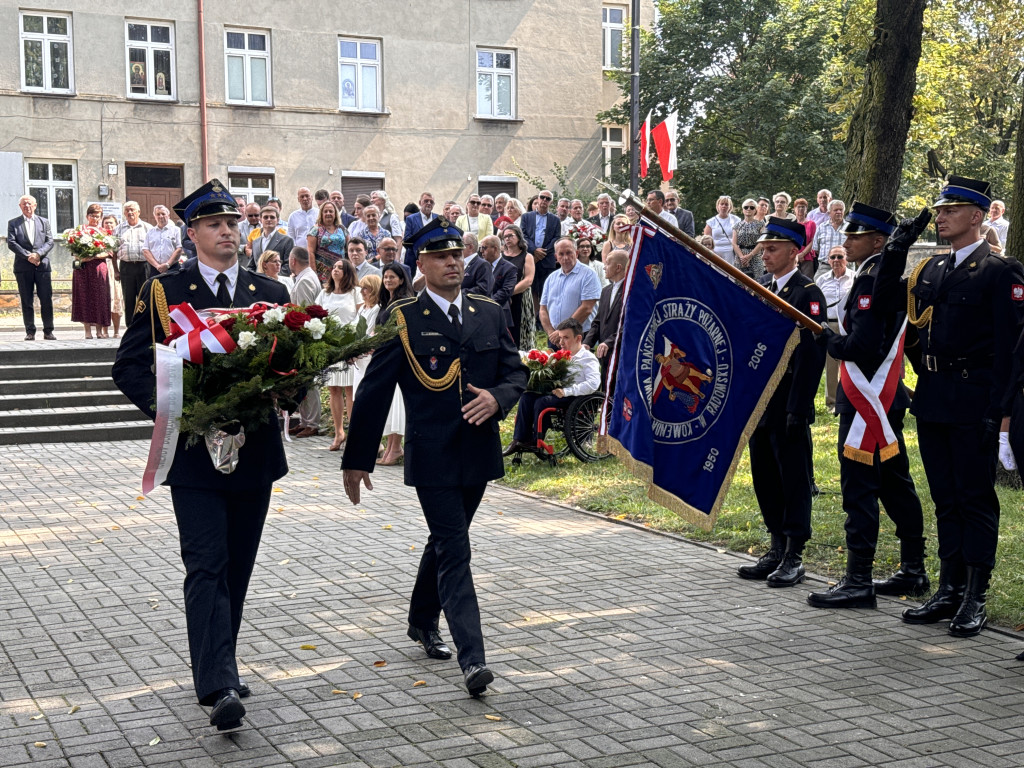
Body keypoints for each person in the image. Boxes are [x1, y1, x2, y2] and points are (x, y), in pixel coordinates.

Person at [112, 179, 290, 732]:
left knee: (237, 567)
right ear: (192, 233)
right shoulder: (167, 292)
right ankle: (216, 684)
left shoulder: (271, 294)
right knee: (206, 565)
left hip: (254, 450)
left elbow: (289, 368)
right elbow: (129, 366)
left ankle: (223, 662)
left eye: (234, 223)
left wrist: (288, 387)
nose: (229, 232)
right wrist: (173, 410)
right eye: (215, 224)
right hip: (192, 455)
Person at [342, 217, 527, 698]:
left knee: (449, 540)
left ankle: (421, 620)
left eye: (457, 255)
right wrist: (357, 458)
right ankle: (474, 660)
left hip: (478, 452)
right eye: (441, 257)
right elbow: (375, 392)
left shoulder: (488, 311)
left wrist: (497, 399)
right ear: (420, 264)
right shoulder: (401, 317)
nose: (452, 263)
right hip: (432, 455)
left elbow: (515, 373)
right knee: (455, 548)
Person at [873, 176, 1024, 638]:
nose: (939, 217)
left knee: (975, 499)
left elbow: (1011, 350)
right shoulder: (932, 271)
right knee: (944, 498)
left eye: (950, 210)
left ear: (977, 216)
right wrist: (897, 247)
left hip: (975, 398)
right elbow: (885, 307)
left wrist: (999, 413)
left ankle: (975, 593)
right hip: (936, 398)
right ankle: (949, 587)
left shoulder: (1001, 272)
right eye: (939, 211)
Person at [808, 203, 928, 610]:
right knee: (895, 483)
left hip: (867, 401)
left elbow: (861, 346)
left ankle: (858, 580)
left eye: (855, 236)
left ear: (878, 240)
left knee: (859, 488)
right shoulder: (879, 276)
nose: (847, 241)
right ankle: (914, 568)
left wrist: (826, 339)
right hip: (886, 399)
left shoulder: (872, 280)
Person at [739, 217, 826, 587]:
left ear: (794, 251)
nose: (765, 253)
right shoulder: (764, 290)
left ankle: (794, 553)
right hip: (763, 402)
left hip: (789, 401)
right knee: (766, 476)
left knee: (793, 478)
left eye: (773, 248)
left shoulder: (807, 294)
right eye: (763, 247)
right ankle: (775, 545)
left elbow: (812, 355)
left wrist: (798, 405)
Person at [503, 318, 601, 454]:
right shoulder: (560, 356)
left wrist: (567, 391)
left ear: (578, 338)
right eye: (560, 338)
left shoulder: (588, 359)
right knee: (527, 397)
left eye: (565, 338)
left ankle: (536, 439)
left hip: (576, 397)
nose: (561, 342)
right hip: (558, 392)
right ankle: (519, 440)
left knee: (542, 402)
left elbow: (593, 384)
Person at [317, 259, 362, 451]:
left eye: (340, 268)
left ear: (348, 272)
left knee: (350, 390)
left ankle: (353, 433)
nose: (335, 270)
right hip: (330, 345)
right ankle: (338, 432)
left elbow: (361, 317)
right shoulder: (324, 293)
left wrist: (349, 335)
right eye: (334, 267)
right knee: (334, 389)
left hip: (348, 345)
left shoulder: (355, 292)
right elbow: (316, 314)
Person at [375, 263, 415, 465]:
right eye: (385, 277)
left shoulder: (404, 302)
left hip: (399, 358)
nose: (388, 280)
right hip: (384, 354)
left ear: (401, 280)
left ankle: (396, 447)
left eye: (392, 277)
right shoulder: (386, 301)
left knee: (397, 403)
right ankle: (391, 446)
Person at [538, 238, 602, 349]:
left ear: (576, 253)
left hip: (578, 336)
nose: (565, 257)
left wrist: (562, 332)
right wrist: (551, 333)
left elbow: (587, 308)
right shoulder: (551, 278)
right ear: (556, 257)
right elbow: (543, 309)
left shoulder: (589, 274)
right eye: (561, 254)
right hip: (555, 339)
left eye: (569, 253)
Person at [288, 247, 324, 439]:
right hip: (307, 335)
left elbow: (303, 313)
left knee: (309, 381)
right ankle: (305, 421)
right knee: (303, 381)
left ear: (293, 261)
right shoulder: (307, 277)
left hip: (305, 337)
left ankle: (312, 422)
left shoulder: (304, 280)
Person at [8, 194, 56, 340]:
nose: (27, 206)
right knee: (26, 300)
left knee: (46, 299)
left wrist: (38, 254)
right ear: (20, 206)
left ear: (35, 205)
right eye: (24, 204)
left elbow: (50, 241)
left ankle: (48, 331)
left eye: (29, 204)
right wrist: (28, 256)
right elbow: (11, 242)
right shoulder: (13, 223)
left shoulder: (44, 222)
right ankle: (30, 331)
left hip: (42, 266)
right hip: (23, 267)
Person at [815, 246, 854, 412]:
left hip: (848, 326)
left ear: (846, 259)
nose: (836, 260)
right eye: (833, 257)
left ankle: (850, 399)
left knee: (849, 364)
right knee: (831, 366)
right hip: (829, 324)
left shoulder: (855, 278)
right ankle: (832, 403)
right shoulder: (821, 280)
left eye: (840, 257)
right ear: (828, 260)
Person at [583, 248, 628, 386]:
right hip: (605, 354)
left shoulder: (631, 290)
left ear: (618, 267)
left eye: (608, 263)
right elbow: (597, 321)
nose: (604, 267)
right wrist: (587, 343)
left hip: (622, 352)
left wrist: (609, 342)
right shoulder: (606, 291)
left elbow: (629, 324)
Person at [71, 203, 112, 339]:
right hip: (83, 269)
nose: (95, 219)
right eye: (92, 216)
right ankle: (87, 331)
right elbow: (73, 250)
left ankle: (99, 330)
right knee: (84, 297)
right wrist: (83, 257)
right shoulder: (79, 231)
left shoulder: (104, 232)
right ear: (87, 216)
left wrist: (94, 255)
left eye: (97, 216)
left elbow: (110, 252)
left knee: (99, 298)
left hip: (99, 268)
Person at [520, 190, 562, 317]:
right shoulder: (527, 217)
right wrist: (534, 250)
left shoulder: (555, 220)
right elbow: (523, 235)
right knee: (532, 289)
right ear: (537, 199)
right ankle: (533, 316)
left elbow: (556, 238)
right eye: (542, 197)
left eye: (547, 199)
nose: (544, 200)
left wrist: (543, 252)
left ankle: (544, 318)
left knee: (546, 290)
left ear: (551, 202)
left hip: (547, 259)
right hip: (531, 257)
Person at [115, 201, 153, 320]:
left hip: (144, 266)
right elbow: (113, 251)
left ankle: (144, 326)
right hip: (126, 267)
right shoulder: (118, 229)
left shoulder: (148, 228)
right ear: (124, 213)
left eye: (132, 210)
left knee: (145, 298)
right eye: (127, 210)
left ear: (138, 212)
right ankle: (130, 327)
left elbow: (153, 249)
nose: (130, 212)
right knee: (129, 298)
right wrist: (116, 270)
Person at [500, 224, 535, 350]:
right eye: (505, 237)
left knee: (519, 333)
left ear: (519, 237)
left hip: (520, 299)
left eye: (510, 235)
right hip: (502, 299)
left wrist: (508, 293)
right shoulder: (500, 255)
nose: (507, 239)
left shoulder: (527, 256)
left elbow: (528, 280)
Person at [479, 234, 517, 330]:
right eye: (480, 248)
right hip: (479, 313)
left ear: (495, 249)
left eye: (484, 248)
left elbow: (505, 291)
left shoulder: (509, 268)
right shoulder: (480, 267)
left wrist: (487, 303)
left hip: (499, 313)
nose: (481, 251)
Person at [306, 200, 348, 283]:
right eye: (325, 211)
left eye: (331, 211)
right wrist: (314, 273)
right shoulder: (315, 230)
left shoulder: (342, 229)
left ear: (335, 213)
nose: (328, 213)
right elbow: (310, 252)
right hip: (322, 274)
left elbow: (349, 248)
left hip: (341, 271)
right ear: (321, 214)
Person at [249, 206, 294, 274]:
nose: (269, 219)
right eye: (265, 217)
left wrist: (272, 278)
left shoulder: (287, 241)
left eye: (272, 217)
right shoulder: (255, 242)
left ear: (277, 220)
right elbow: (251, 266)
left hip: (277, 281)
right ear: (260, 220)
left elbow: (288, 266)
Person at [143, 204, 184, 277]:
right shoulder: (150, 232)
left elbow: (179, 249)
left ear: (168, 216)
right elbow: (146, 250)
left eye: (163, 214)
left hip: (172, 267)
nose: (160, 216)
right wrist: (157, 266)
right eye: (158, 214)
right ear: (155, 216)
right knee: (154, 288)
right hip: (154, 269)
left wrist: (167, 264)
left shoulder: (176, 230)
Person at [731, 198, 766, 280]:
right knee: (739, 283)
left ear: (755, 210)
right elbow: (734, 243)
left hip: (755, 257)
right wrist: (742, 257)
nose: (749, 209)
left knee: (757, 283)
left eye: (752, 207)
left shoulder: (760, 224)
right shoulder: (737, 225)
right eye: (746, 207)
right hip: (740, 259)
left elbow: (762, 242)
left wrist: (750, 255)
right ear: (743, 209)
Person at [102, 214, 124, 338]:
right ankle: (104, 330)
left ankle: (116, 331)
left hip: (116, 267)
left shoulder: (118, 237)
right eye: (106, 223)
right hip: (103, 266)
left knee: (117, 298)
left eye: (111, 223)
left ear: (116, 224)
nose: (109, 225)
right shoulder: (99, 237)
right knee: (104, 299)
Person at [811, 200, 847, 277]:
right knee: (818, 287)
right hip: (825, 267)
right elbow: (816, 249)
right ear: (829, 212)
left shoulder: (850, 227)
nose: (839, 212)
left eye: (841, 210)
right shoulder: (821, 227)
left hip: (846, 267)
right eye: (836, 210)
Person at [402, 192, 438, 269]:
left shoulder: (438, 218)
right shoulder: (411, 218)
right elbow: (407, 239)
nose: (429, 203)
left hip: (433, 257)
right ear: (420, 203)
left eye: (431, 202)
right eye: (426, 201)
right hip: (414, 258)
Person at [704, 196, 740, 265]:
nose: (724, 206)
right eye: (722, 204)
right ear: (718, 206)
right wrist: (712, 252)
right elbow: (706, 240)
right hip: (715, 252)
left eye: (726, 204)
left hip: (731, 252)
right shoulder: (711, 222)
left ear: (730, 207)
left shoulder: (736, 220)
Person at [793, 198, 818, 279]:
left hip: (807, 257)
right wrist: (796, 255)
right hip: (793, 258)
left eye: (803, 207)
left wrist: (802, 254)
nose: (801, 209)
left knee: (807, 281)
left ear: (806, 209)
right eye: (798, 207)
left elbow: (812, 241)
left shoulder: (811, 224)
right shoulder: (791, 224)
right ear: (794, 209)